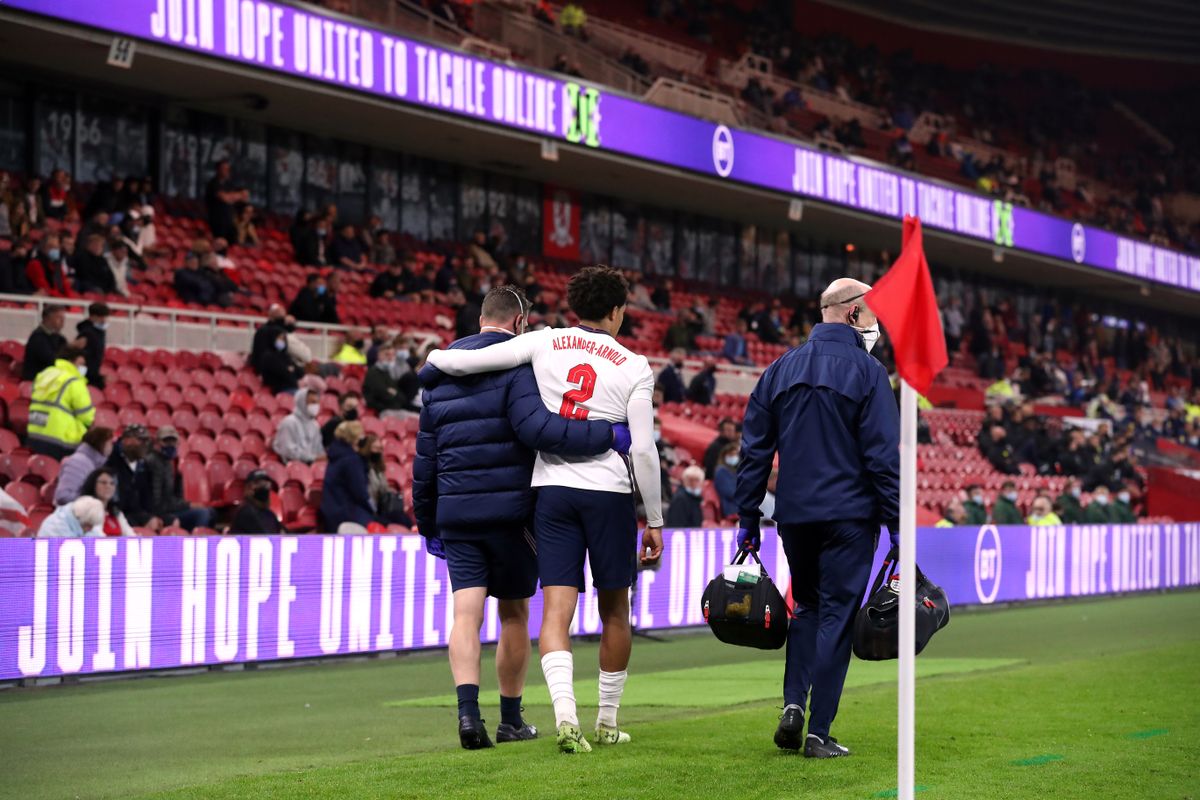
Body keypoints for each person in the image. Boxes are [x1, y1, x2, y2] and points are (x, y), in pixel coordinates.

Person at [425, 267, 663, 754]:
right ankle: (606, 721)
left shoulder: (544, 342)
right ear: (618, 311)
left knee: (556, 610)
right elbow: (643, 450)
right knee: (615, 609)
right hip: (609, 492)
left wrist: (433, 356)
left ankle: (565, 719)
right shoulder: (635, 365)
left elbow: (470, 363)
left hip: (551, 490)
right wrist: (654, 518)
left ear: (575, 306)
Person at [734, 277, 899, 758]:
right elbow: (883, 460)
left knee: (805, 607)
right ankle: (818, 730)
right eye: (869, 314)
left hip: (796, 516)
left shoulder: (778, 369)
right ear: (851, 315)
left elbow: (754, 453)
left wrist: (748, 519)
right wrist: (897, 528)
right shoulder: (869, 373)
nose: (874, 324)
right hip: (850, 515)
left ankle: (791, 705)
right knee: (837, 616)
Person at [28, 346, 94, 460]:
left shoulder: (44, 374)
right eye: (81, 363)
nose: (83, 368)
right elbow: (87, 416)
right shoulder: (73, 381)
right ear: (71, 361)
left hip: (34, 433)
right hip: (59, 439)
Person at [145, 425, 217, 531]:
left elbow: (177, 496)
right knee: (202, 513)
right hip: (161, 512)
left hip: (171, 508)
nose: (170, 445)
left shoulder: (169, 463)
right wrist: (188, 506)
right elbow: (157, 503)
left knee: (212, 512)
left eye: (173, 441)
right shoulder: (153, 462)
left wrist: (185, 505)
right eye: (166, 441)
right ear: (157, 443)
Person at [320, 420, 375, 532]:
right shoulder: (352, 460)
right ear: (355, 439)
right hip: (348, 514)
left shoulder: (336, 456)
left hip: (332, 512)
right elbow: (360, 493)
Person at [105, 424, 162, 531]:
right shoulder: (111, 462)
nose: (145, 444)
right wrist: (144, 519)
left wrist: (151, 517)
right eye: (140, 440)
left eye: (146, 441)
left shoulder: (144, 466)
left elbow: (147, 500)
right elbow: (115, 504)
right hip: (116, 516)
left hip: (138, 515)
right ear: (126, 440)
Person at [360, 434, 413, 528]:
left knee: (404, 519)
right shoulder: (363, 468)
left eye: (379, 449)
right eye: (374, 449)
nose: (377, 452)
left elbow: (384, 490)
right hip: (370, 511)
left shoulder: (379, 470)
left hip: (382, 508)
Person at [54, 426, 114, 505]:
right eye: (110, 443)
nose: (112, 446)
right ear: (101, 443)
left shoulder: (94, 463)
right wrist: (91, 503)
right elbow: (63, 496)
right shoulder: (78, 463)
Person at [273, 387, 325, 464]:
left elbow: (319, 449)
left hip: (312, 465)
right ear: (302, 403)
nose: (316, 406)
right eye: (312, 402)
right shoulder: (289, 422)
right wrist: (313, 458)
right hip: (292, 466)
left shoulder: (315, 425)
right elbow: (288, 451)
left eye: (317, 403)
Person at [79, 467, 136, 536]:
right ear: (93, 484)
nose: (108, 486)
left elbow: (130, 535)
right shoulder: (85, 508)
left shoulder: (116, 512)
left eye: (112, 483)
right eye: (103, 483)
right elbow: (95, 536)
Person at [364, 344, 417, 416]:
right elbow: (382, 395)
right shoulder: (372, 373)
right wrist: (394, 394)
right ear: (379, 356)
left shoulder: (387, 373)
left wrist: (394, 393)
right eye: (387, 355)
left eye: (393, 355)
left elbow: (402, 398)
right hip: (382, 412)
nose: (390, 358)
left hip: (395, 410)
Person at [21, 305, 68, 381]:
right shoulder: (38, 337)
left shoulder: (60, 338)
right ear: (47, 318)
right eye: (59, 318)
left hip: (52, 379)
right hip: (37, 380)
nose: (62, 321)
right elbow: (50, 359)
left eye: (63, 318)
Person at [228, 470, 283, 534]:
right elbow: (266, 537)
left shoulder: (270, 514)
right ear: (248, 488)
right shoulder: (245, 512)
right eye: (259, 483)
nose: (264, 487)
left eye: (266, 484)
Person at [24, 233, 74, 297]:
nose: (56, 250)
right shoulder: (35, 264)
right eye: (52, 247)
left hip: (58, 299)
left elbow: (66, 286)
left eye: (57, 247)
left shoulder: (56, 265)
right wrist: (63, 299)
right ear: (44, 247)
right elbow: (44, 288)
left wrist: (70, 301)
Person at [75, 302, 111, 388]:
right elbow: (80, 356)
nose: (104, 320)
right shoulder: (86, 333)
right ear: (93, 316)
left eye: (105, 317)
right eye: (101, 317)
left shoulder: (100, 332)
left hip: (93, 374)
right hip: (86, 376)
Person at [205, 159, 240, 241]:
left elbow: (243, 196)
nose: (227, 171)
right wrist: (232, 196)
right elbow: (225, 198)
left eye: (228, 169)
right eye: (224, 169)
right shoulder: (213, 183)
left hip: (229, 220)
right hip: (217, 221)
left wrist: (231, 196)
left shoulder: (229, 184)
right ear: (218, 170)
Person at [37, 496, 106, 538]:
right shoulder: (54, 526)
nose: (91, 529)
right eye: (88, 525)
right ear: (78, 519)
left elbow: (100, 540)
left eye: (93, 525)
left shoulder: (89, 519)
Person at [712, 442, 740, 518]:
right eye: (731, 455)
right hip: (731, 508)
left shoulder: (734, 470)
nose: (734, 457)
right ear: (724, 456)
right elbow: (730, 493)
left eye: (735, 454)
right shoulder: (721, 471)